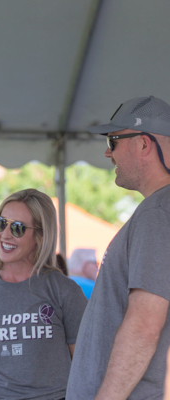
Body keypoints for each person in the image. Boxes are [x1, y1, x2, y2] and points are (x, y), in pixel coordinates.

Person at [66, 95, 170, 400]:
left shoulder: (158, 213)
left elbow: (144, 324)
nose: (107, 152)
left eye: (114, 140)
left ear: (143, 144)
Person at [0, 188, 87, 399]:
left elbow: (84, 363)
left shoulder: (64, 291)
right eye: (0, 223)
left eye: (17, 228)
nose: (5, 234)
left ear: (40, 236)